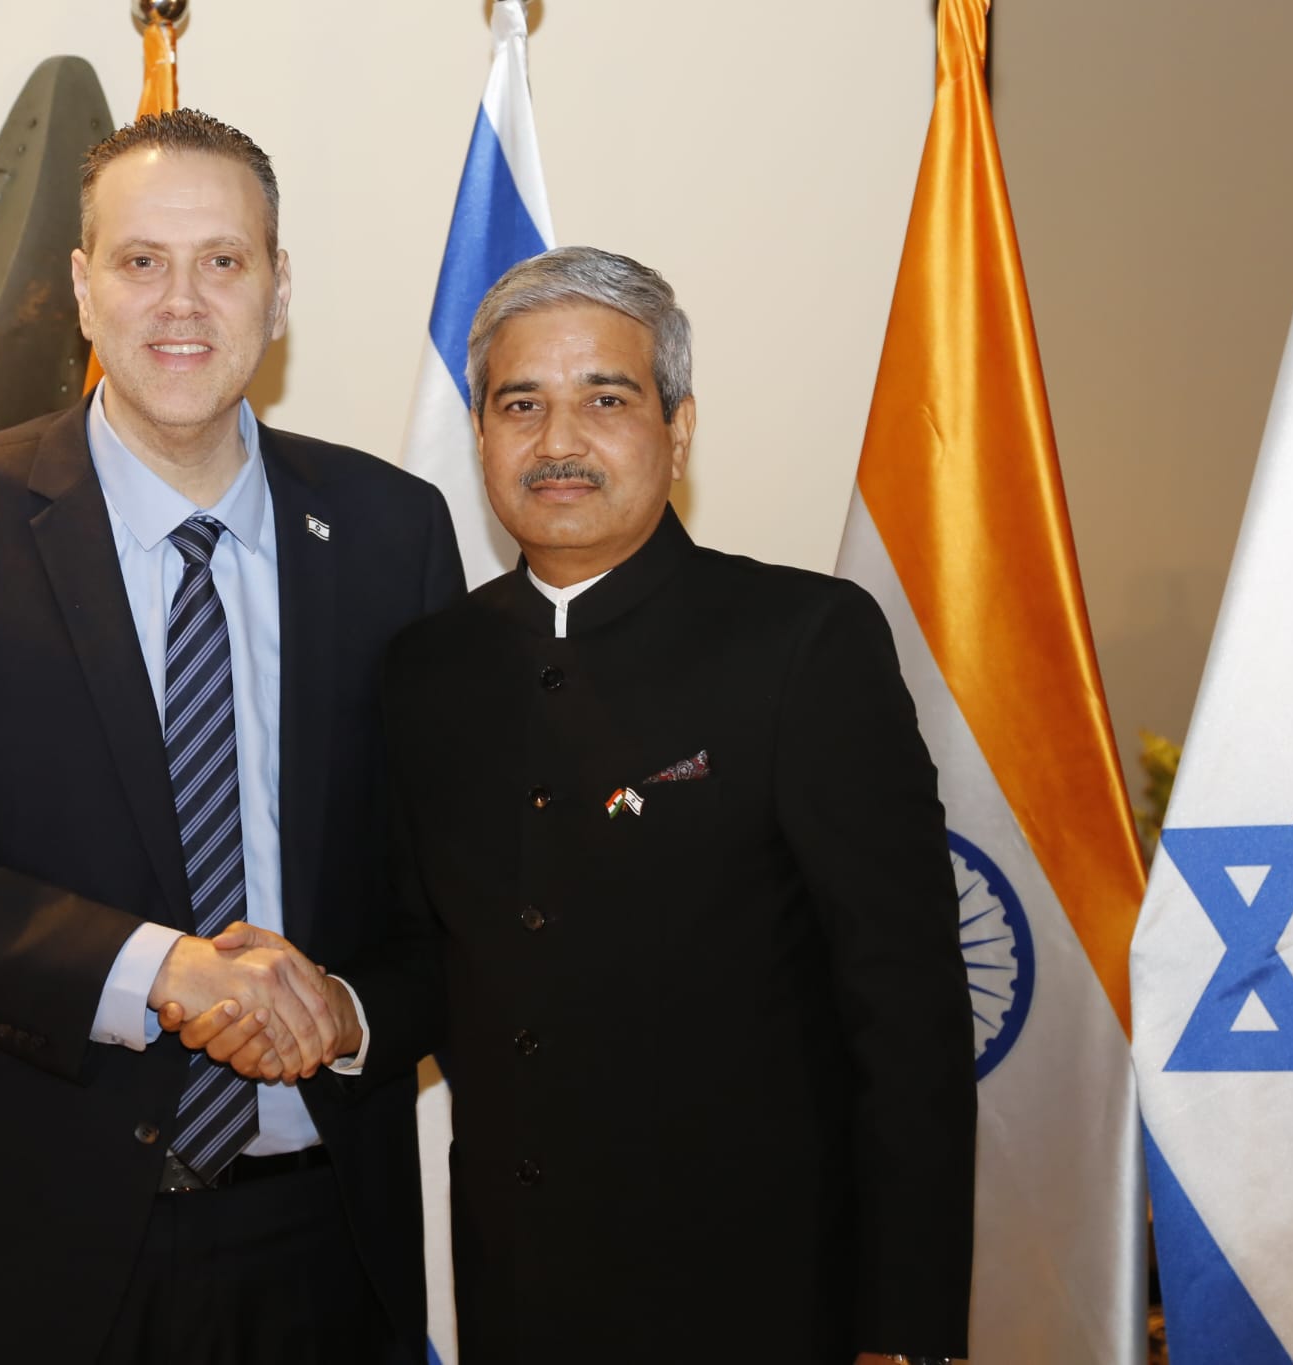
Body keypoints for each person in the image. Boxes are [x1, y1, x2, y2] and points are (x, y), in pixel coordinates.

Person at [175, 246, 976, 1363]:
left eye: (606, 399)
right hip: (518, 1292)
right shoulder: (426, 668)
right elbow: (436, 954)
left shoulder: (803, 642)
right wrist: (339, 1010)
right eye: (520, 405)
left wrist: (906, 1330)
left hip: (765, 1295)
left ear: (677, 429)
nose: (558, 441)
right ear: (480, 435)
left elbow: (908, 1011)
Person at [0, 109, 462, 1365]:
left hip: (320, 1244)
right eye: (141, 260)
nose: (181, 301)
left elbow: (451, 894)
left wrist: (344, 1010)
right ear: (82, 289)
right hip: (4, 1241)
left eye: (223, 260)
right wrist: (159, 971)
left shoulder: (392, 530)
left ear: (278, 289)